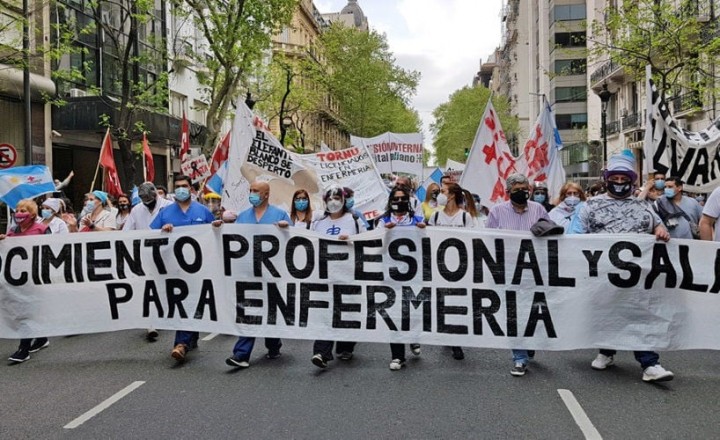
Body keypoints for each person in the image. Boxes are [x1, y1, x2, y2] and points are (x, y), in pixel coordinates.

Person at [571, 151, 674, 383]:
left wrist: (660, 230)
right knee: (607, 314)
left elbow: (658, 226)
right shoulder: (589, 206)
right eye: (615, 179)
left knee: (638, 316)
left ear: (632, 180)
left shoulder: (644, 207)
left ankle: (650, 363)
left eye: (623, 179)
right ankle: (606, 351)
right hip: (602, 275)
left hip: (635, 277)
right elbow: (574, 237)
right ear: (607, 179)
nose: (619, 183)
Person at [223, 180, 292, 369]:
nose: (252, 193)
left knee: (271, 311)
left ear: (266, 194)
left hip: (273, 274)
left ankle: (273, 344)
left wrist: (287, 229)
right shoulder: (243, 216)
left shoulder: (279, 214)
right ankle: (241, 354)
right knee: (249, 311)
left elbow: (296, 241)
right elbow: (233, 241)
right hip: (249, 273)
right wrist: (219, 228)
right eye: (251, 190)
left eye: (256, 191)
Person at [486, 173, 550, 376]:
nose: (522, 192)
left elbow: (550, 233)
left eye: (525, 189)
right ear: (508, 192)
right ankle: (519, 357)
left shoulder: (539, 209)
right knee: (514, 314)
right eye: (517, 190)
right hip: (509, 272)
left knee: (533, 312)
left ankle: (528, 344)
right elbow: (488, 240)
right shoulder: (497, 211)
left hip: (534, 271)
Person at [150, 175, 215, 363]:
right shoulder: (165, 213)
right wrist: (163, 231)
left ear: (191, 189)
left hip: (199, 267)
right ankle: (188, 337)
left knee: (192, 301)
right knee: (183, 302)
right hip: (174, 268)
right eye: (177, 186)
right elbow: (152, 237)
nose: (181, 190)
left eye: (184, 186)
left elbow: (214, 236)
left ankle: (182, 343)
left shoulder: (203, 212)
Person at [310, 185, 367, 369]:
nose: (333, 202)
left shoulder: (354, 219)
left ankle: (345, 345)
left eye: (337, 198)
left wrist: (352, 241)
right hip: (325, 275)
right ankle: (321, 352)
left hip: (348, 274)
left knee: (346, 312)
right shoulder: (318, 222)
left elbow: (367, 242)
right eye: (330, 198)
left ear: (343, 200)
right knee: (325, 314)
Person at [375, 185, 426, 371]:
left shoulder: (417, 220)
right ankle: (397, 355)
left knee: (412, 311)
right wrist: (385, 232)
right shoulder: (383, 221)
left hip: (414, 274)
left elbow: (428, 244)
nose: (399, 202)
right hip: (391, 275)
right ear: (390, 202)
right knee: (394, 314)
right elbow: (375, 246)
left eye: (403, 199)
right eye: (395, 199)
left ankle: (413, 337)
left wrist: (424, 231)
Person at [427, 182, 473, 360]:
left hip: (460, 268)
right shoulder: (436, 216)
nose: (440, 195)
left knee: (458, 301)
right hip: (440, 268)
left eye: (443, 192)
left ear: (452, 195)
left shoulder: (465, 217)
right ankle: (450, 335)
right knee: (443, 302)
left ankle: (456, 340)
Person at [2, 200, 52, 363]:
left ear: (32, 214)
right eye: (17, 210)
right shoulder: (12, 231)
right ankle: (41, 338)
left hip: (35, 277)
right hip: (17, 278)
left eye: (23, 210)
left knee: (26, 310)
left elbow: (51, 251)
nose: (18, 213)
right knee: (25, 310)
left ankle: (24, 348)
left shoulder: (42, 229)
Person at [124, 182, 174, 341]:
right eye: (143, 199)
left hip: (168, 254)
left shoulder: (169, 206)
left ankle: (165, 313)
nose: (146, 202)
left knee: (165, 287)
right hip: (144, 255)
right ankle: (151, 321)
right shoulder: (136, 210)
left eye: (148, 199)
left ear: (155, 195)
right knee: (148, 287)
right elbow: (126, 232)